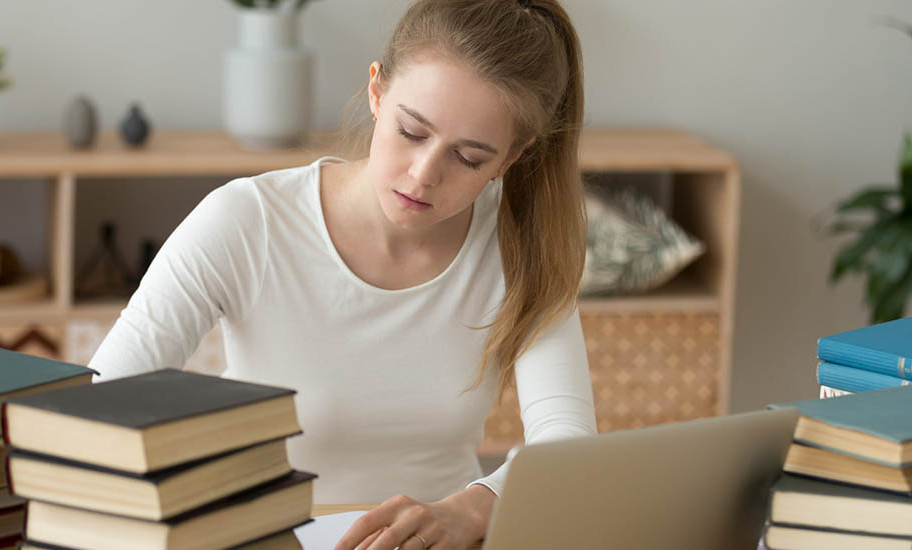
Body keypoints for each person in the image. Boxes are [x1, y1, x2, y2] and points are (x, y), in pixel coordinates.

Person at [87, 0, 596, 548]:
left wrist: (476, 508)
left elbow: (566, 445)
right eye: (411, 131)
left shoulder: (520, 248)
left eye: (468, 158)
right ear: (376, 92)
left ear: (511, 158)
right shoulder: (248, 221)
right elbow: (100, 406)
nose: (423, 175)